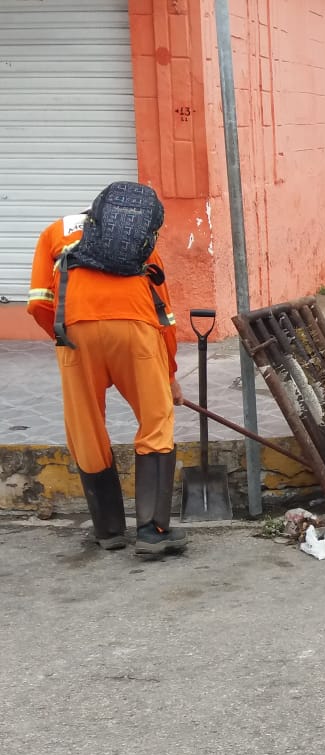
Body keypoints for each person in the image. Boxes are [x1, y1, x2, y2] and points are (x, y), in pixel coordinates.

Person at [27, 183, 188, 555]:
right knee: (156, 419)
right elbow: (165, 316)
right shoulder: (142, 244)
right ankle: (152, 530)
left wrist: (68, 335)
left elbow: (38, 304)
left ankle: (109, 530)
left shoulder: (54, 232)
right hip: (137, 331)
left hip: (77, 332)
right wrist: (169, 377)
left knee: (86, 427)